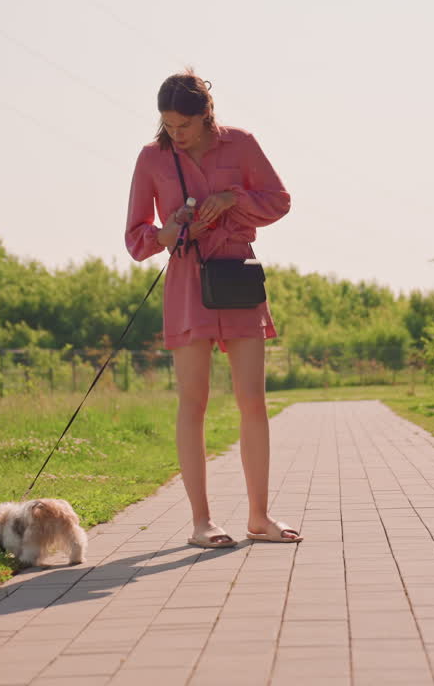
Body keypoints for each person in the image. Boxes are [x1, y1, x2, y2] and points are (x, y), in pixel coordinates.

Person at [124, 70, 299, 548]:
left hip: (239, 277)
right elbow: (136, 239)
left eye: (184, 124)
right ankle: (202, 523)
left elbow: (279, 201)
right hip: (186, 281)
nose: (175, 134)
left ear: (205, 116)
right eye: (168, 124)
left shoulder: (241, 145)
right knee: (193, 401)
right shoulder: (152, 159)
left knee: (253, 402)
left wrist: (229, 200)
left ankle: (259, 517)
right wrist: (172, 230)